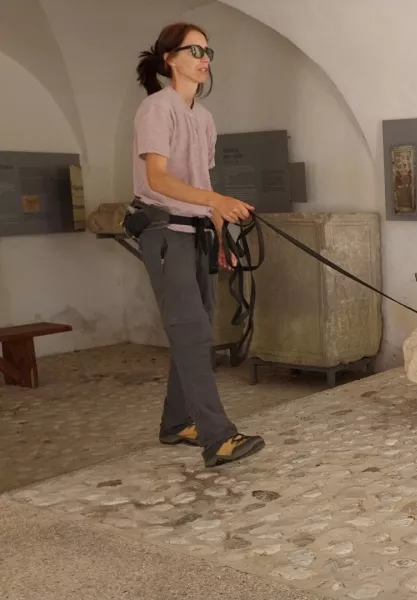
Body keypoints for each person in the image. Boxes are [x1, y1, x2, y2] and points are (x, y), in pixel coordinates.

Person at [130, 22, 264, 467]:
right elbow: (158, 179)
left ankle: (175, 422)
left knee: (197, 329)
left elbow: (200, 183)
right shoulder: (156, 108)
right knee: (190, 329)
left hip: (197, 232)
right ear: (170, 58)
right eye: (195, 50)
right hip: (164, 232)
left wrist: (220, 228)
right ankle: (217, 437)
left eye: (208, 51)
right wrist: (215, 201)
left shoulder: (203, 118)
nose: (205, 58)